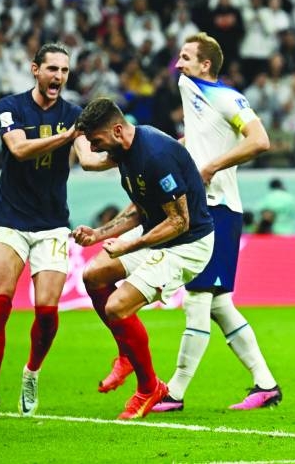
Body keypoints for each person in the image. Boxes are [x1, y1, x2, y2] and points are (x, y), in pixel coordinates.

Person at [99, 31, 281, 412]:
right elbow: (202, 135)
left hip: (217, 208)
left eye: (185, 57)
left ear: (205, 65)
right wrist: (184, 149)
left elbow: (260, 139)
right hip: (205, 206)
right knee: (219, 305)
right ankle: (265, 385)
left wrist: (211, 165)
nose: (178, 64)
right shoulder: (192, 91)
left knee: (199, 301)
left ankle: (175, 392)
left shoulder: (227, 97)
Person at [0, 43, 111, 421]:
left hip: (52, 223)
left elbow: (86, 158)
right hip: (10, 219)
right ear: (35, 70)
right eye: (52, 69)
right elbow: (17, 150)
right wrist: (65, 138)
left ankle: (31, 372)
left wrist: (127, 151)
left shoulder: (74, 115)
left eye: (64, 71)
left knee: (47, 312)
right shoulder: (10, 107)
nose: (59, 77)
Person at [71, 97, 215, 420]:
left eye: (97, 142)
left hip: (187, 245)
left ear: (117, 130)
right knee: (93, 276)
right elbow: (140, 208)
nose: (95, 149)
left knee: (117, 308)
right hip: (158, 235)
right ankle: (126, 354)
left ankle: (150, 388)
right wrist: (99, 234)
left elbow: (180, 220)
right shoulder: (125, 150)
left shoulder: (155, 155)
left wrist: (128, 247)